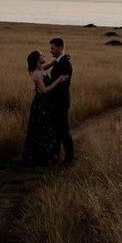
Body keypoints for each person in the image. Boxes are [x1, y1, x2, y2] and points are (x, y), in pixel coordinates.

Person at [21, 50, 67, 166]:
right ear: (37, 60)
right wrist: (59, 80)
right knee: (41, 130)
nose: (44, 56)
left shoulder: (41, 68)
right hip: (40, 106)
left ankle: (48, 157)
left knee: (47, 129)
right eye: (41, 55)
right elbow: (45, 90)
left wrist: (62, 56)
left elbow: (51, 64)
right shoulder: (36, 74)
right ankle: (41, 158)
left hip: (45, 104)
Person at [46, 37, 74, 165]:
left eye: (53, 48)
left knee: (63, 130)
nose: (50, 50)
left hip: (61, 101)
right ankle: (56, 155)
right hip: (56, 101)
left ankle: (69, 158)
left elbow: (63, 86)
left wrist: (50, 91)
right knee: (58, 129)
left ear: (60, 47)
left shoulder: (65, 64)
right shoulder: (59, 61)